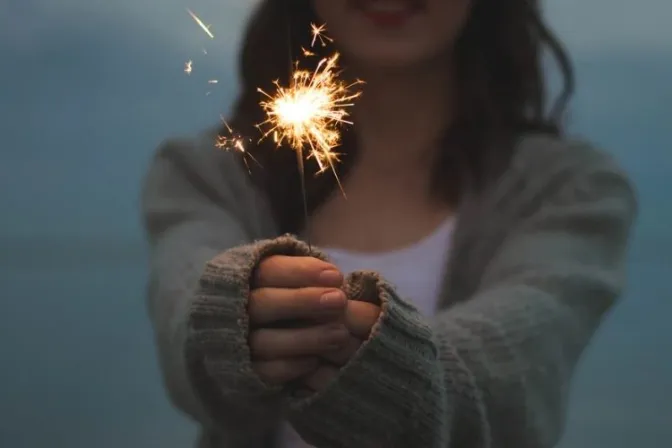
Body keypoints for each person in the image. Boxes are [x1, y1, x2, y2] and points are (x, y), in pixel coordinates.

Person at [141, 0, 637, 447]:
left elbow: (517, 367)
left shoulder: (568, 190)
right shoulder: (209, 173)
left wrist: (385, 364)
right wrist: (233, 316)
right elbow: (186, 315)